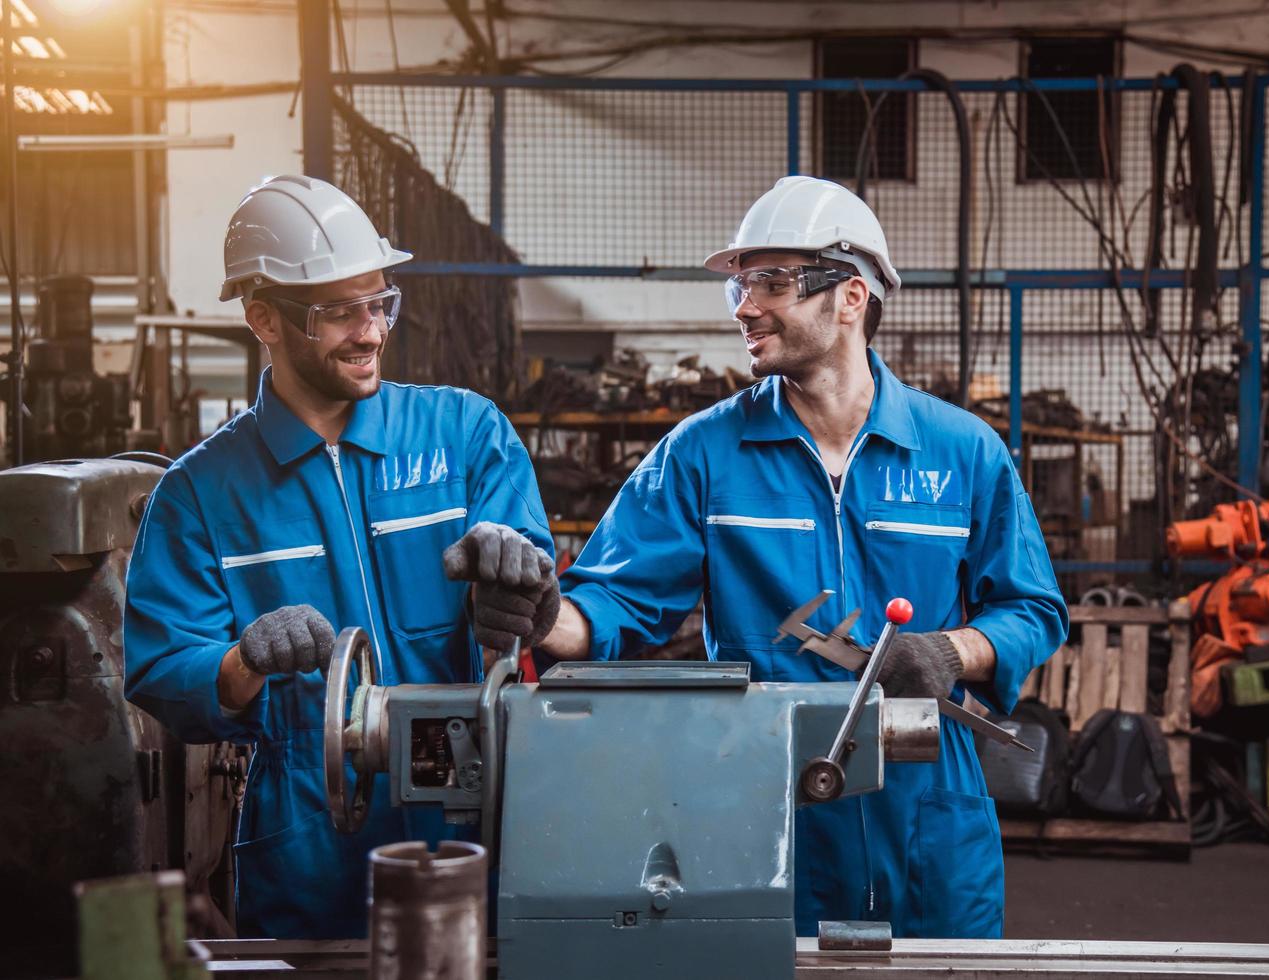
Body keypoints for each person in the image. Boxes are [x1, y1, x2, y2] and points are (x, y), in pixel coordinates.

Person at [522, 175, 1067, 938]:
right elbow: (615, 603)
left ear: (851, 296)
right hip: (764, 801)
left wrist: (952, 650)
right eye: (741, 286)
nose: (745, 306)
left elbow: (1034, 608)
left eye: (772, 282)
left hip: (928, 804)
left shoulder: (963, 451)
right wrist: (545, 617)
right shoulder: (704, 455)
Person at [124, 175, 558, 939]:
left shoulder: (464, 436)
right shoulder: (199, 493)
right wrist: (241, 664)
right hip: (307, 849)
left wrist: (520, 583)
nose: (370, 331)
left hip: (476, 830)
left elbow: (528, 590)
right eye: (337, 311)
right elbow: (161, 670)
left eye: (381, 302)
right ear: (263, 317)